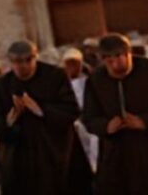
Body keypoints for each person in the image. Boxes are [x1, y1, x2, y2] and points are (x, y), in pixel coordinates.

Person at [82, 34, 148, 195]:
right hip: (118, 157)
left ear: (128, 53)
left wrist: (144, 122)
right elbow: (89, 118)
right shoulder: (96, 80)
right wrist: (106, 126)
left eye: (118, 56)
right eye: (108, 59)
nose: (115, 63)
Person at [0, 41, 79, 195]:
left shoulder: (55, 77)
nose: (23, 66)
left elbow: (71, 110)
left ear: (35, 58)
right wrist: (9, 120)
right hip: (18, 156)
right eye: (17, 62)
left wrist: (40, 110)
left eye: (28, 60)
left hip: (52, 151)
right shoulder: (2, 86)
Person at [62, 48, 97, 192]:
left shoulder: (89, 82)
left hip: (88, 122)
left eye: (75, 64)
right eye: (68, 64)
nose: (72, 67)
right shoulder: (61, 85)